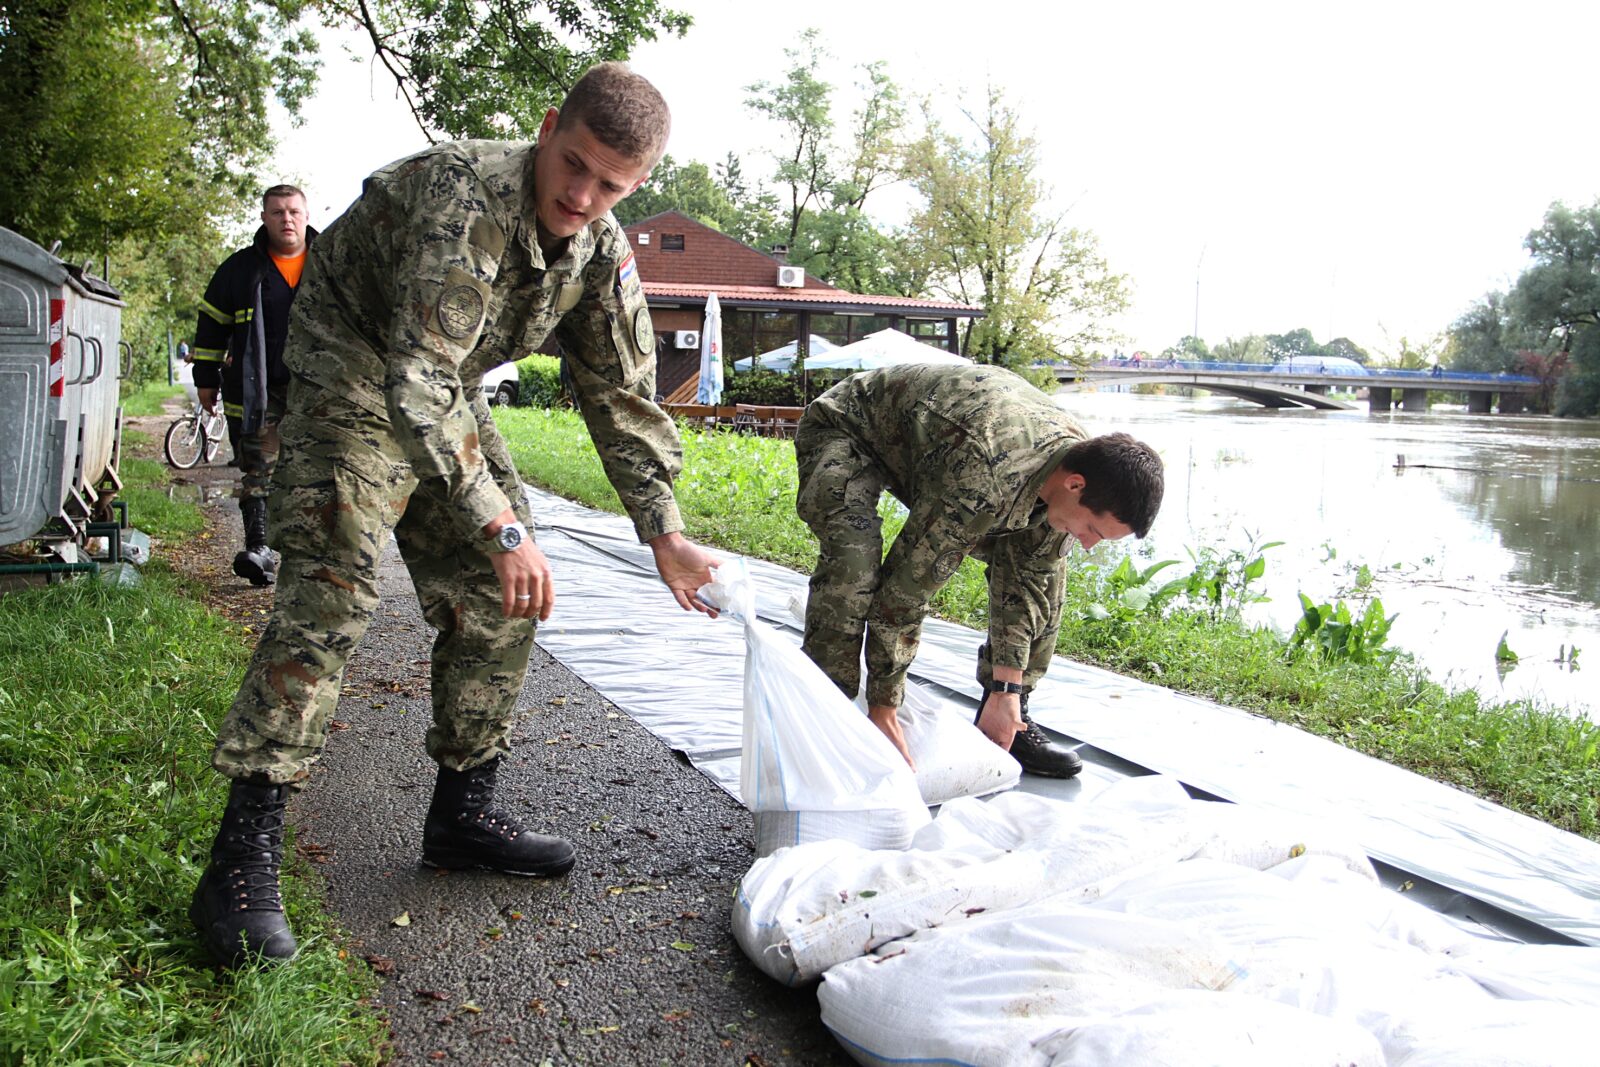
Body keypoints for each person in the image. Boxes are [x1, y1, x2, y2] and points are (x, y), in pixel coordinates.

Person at [189, 62, 720, 967]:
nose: (581, 196)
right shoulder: (462, 195)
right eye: (574, 164)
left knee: (503, 588)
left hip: (445, 385)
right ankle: (241, 853)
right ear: (548, 126)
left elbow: (622, 395)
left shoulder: (598, 249)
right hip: (353, 367)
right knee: (334, 586)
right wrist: (499, 525)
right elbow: (415, 375)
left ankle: (463, 815)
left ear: (637, 185)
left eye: (610, 186)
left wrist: (664, 532)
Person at [795, 363, 1164, 779]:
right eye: (1093, 530)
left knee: (1045, 582)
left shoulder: (1079, 474)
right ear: (1075, 485)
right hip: (850, 425)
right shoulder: (982, 478)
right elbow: (905, 592)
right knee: (853, 564)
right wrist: (883, 706)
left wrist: (1007, 690)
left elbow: (1023, 587)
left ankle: (1008, 716)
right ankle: (829, 710)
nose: (1089, 544)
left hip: (942, 445)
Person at [191, 185, 318, 581]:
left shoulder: (331, 263)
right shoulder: (239, 269)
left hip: (320, 393)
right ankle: (259, 549)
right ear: (264, 218)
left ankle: (313, 559)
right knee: (258, 470)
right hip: (258, 393)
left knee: (316, 475)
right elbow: (211, 325)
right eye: (277, 212)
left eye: (294, 212)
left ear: (306, 216)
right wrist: (205, 378)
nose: (287, 219)